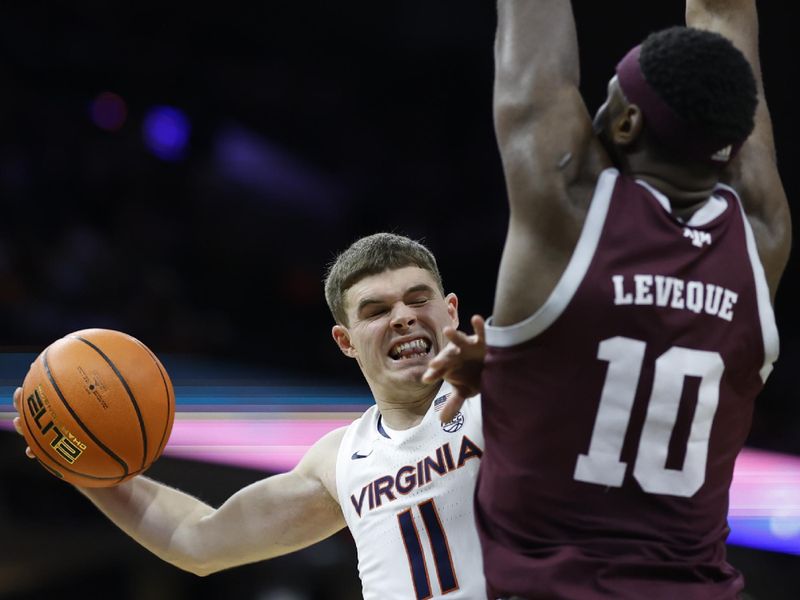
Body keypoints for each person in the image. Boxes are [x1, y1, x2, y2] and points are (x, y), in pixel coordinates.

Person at [424, 0, 791, 598]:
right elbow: (723, 19)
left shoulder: (567, 204)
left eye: (612, 95)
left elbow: (533, 41)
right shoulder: (760, 233)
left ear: (625, 125)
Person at [13, 232, 487, 600]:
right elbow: (196, 541)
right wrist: (81, 463)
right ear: (346, 342)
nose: (402, 317)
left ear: (450, 312)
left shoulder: (505, 399)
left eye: (418, 299)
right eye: (377, 310)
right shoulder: (340, 458)